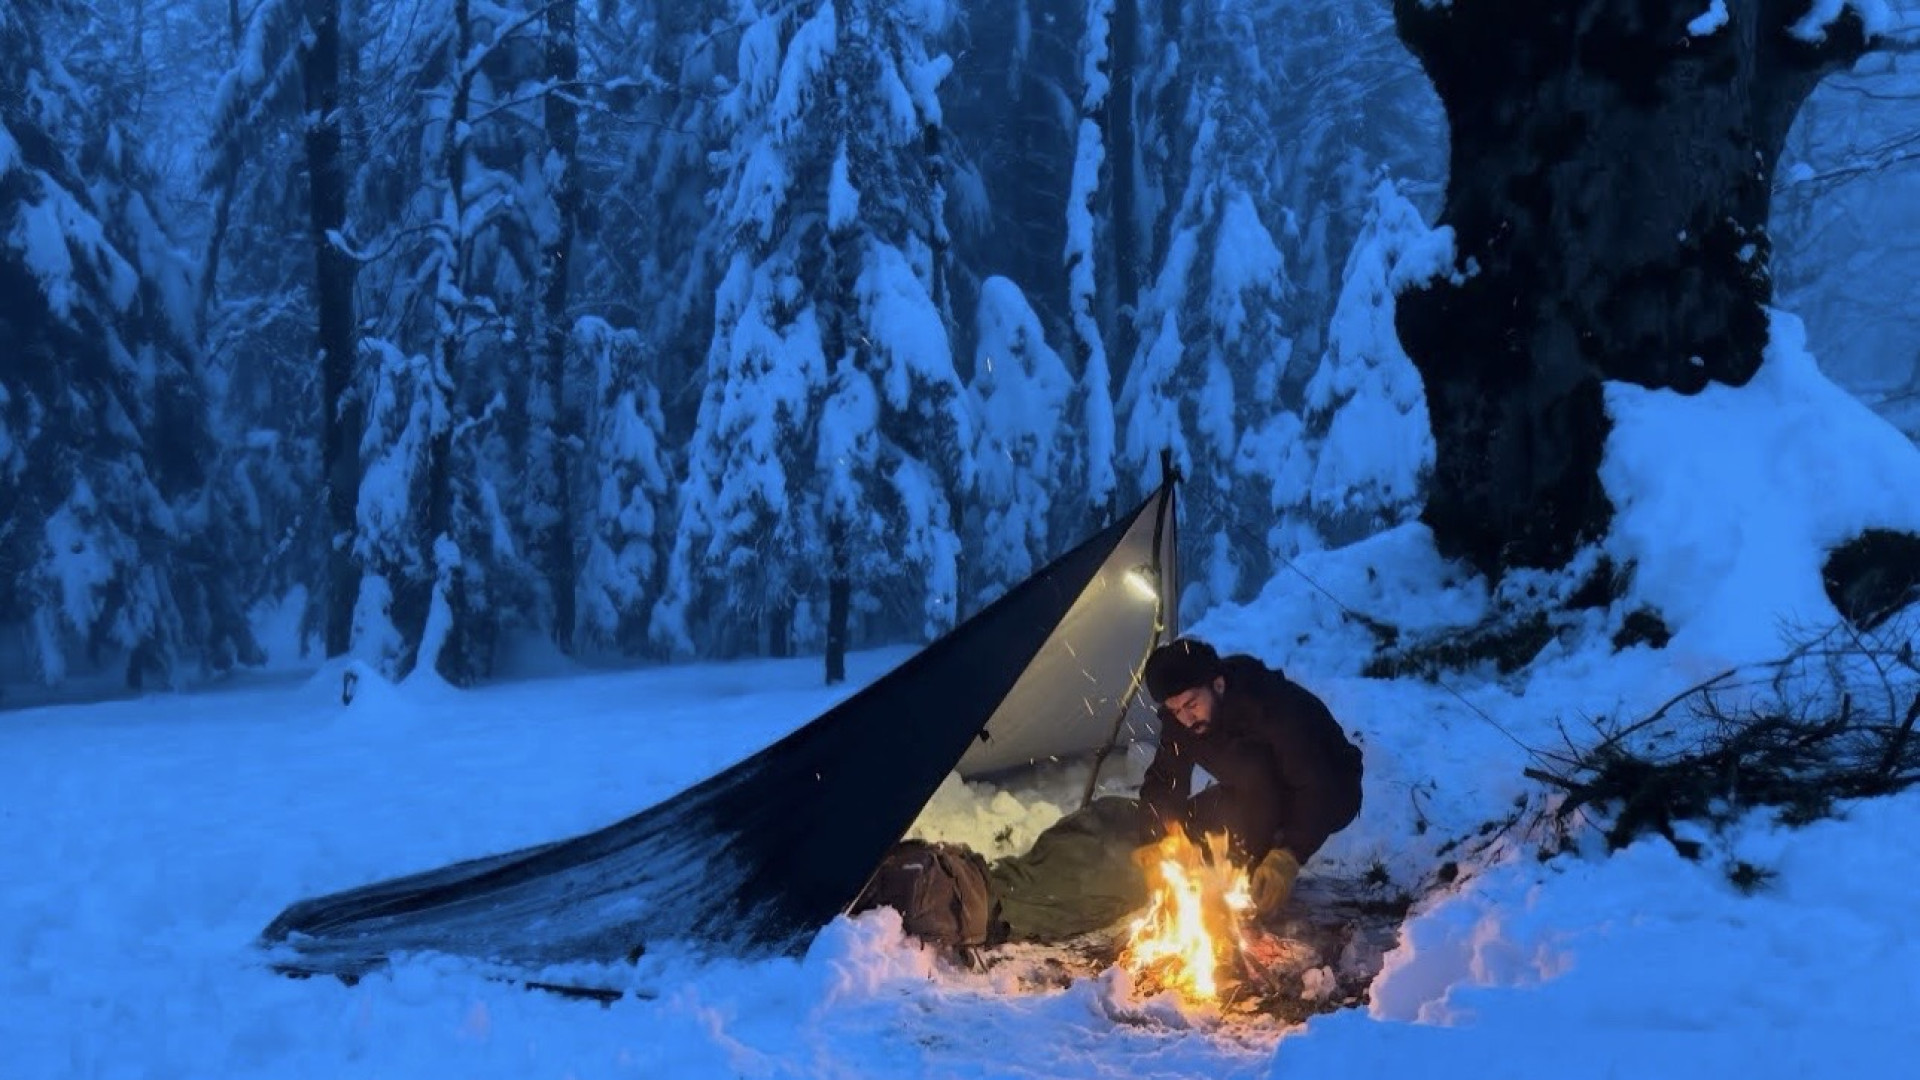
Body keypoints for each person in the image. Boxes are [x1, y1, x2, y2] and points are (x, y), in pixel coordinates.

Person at [1138, 637, 1363, 919]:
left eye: (1192, 704)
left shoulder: (1272, 708)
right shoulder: (1182, 722)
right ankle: (1244, 868)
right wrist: (1161, 837)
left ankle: (1262, 863)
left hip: (1331, 785)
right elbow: (1163, 779)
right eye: (1176, 710)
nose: (1186, 718)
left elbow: (1315, 784)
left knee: (1255, 778)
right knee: (1192, 825)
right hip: (1253, 790)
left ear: (1217, 686)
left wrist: (1289, 854)